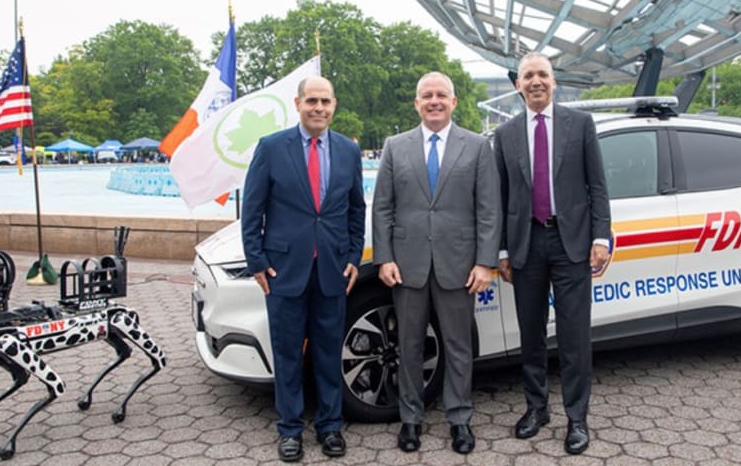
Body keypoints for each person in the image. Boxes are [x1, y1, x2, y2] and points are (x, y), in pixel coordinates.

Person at [372, 71, 500, 455]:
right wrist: (384, 257)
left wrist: (485, 263)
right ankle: (410, 420)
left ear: (454, 102)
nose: (434, 101)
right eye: (426, 95)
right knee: (408, 346)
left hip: (459, 267)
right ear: (416, 103)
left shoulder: (477, 147)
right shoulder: (395, 147)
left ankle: (459, 419)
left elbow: (488, 210)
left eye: (441, 95)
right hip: (407, 266)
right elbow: (382, 207)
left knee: (458, 347)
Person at [240, 75, 366, 462]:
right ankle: (290, 429)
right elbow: (252, 209)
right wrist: (257, 261)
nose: (319, 108)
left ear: (334, 105)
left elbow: (356, 210)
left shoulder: (348, 151)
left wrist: (352, 257)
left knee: (329, 353)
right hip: (284, 271)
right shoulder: (272, 148)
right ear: (298, 104)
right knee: (288, 353)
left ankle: (330, 428)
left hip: (331, 269)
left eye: (325, 101)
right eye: (312, 100)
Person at [492, 52, 611, 455]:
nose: (536, 81)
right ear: (517, 84)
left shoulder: (579, 125)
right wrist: (503, 250)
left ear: (554, 82)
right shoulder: (505, 134)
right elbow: (502, 196)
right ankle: (536, 408)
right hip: (526, 245)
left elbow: (597, 185)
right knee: (531, 333)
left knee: (575, 336)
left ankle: (577, 418)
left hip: (571, 242)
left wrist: (601, 237)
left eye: (543, 74)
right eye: (528, 76)